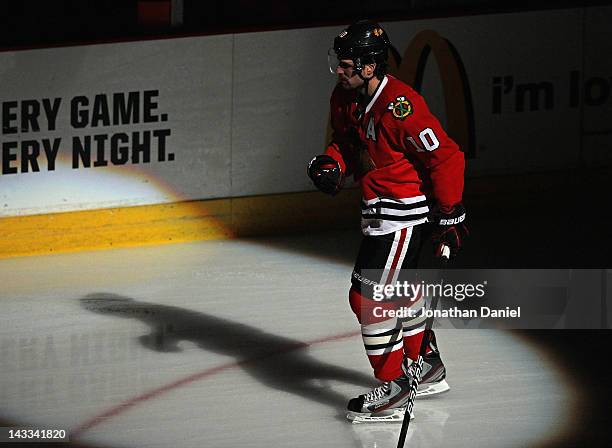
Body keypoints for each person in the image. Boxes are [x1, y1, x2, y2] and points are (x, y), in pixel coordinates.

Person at [307, 20, 468, 421]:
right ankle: (425, 363)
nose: (339, 71)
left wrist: (450, 213)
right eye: (338, 63)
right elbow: (346, 142)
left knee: (367, 297)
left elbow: (445, 155)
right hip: (378, 212)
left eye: (346, 64)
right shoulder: (344, 97)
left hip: (403, 214)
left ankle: (395, 385)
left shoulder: (402, 105)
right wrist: (333, 163)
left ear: (369, 66)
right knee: (397, 290)